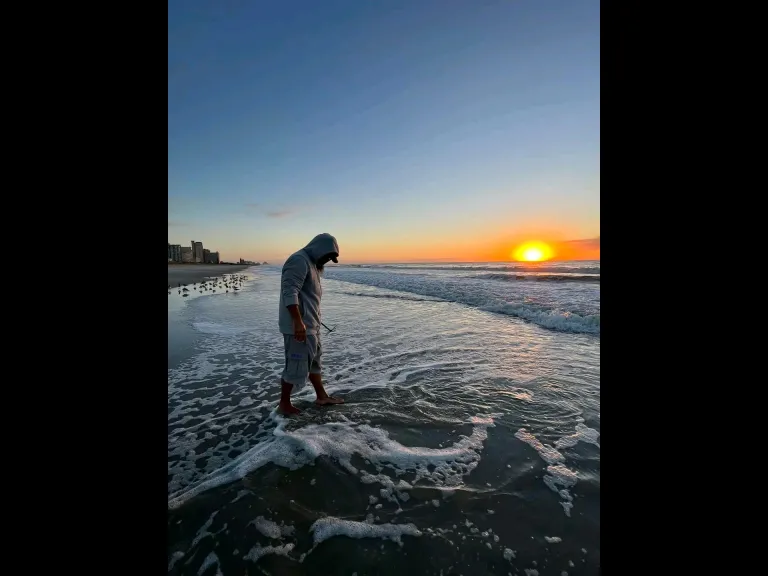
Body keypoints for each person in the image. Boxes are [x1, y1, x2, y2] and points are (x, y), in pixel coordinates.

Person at [278, 233, 344, 415]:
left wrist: (312, 319)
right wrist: (298, 322)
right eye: (328, 256)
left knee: (314, 363)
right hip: (299, 328)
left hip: (311, 326)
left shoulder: (312, 263)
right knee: (295, 366)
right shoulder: (299, 260)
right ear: (319, 248)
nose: (328, 260)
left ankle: (321, 396)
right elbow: (290, 292)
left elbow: (308, 297)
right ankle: (284, 404)